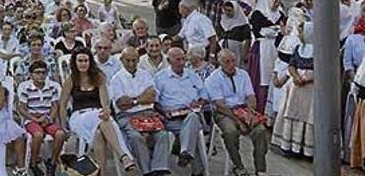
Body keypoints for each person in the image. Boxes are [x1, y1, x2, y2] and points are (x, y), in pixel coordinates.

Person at [59, 48, 135, 175]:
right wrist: (63, 125)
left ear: (90, 62)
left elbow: (105, 101)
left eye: (86, 60)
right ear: (75, 62)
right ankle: (123, 155)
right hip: (79, 116)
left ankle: (102, 173)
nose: (83, 63)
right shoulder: (71, 80)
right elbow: (62, 105)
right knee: (103, 119)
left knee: (99, 132)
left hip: (98, 114)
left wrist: (106, 110)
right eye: (80, 61)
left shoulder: (98, 77)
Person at [206, 49, 269, 176]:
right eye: (226, 62)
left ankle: (260, 169)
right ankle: (238, 166)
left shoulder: (243, 74)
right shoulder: (213, 79)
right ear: (220, 63)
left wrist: (251, 112)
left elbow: (251, 96)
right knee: (230, 132)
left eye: (233, 61)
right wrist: (238, 120)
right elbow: (220, 105)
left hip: (243, 109)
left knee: (261, 130)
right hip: (224, 112)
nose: (231, 65)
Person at [111, 47, 173, 176]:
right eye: (128, 60)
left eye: (134, 60)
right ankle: (147, 171)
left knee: (162, 134)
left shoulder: (145, 74)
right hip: (127, 115)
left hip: (148, 112)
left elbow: (152, 96)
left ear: (139, 59)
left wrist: (133, 101)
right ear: (122, 60)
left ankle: (159, 168)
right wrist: (140, 99)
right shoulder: (116, 79)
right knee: (135, 137)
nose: (131, 64)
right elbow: (121, 104)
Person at [154, 47, 209, 176]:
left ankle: (185, 152)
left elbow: (205, 95)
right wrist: (164, 112)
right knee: (192, 131)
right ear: (168, 60)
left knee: (193, 118)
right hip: (172, 118)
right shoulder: (160, 77)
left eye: (184, 59)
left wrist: (199, 102)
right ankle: (197, 170)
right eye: (178, 59)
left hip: (192, 114)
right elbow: (155, 102)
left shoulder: (192, 75)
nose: (182, 63)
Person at [17, 60, 68, 176]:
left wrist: (49, 118)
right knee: (38, 135)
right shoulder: (26, 88)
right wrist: (35, 119)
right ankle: (33, 163)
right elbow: (22, 108)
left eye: (43, 73)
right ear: (31, 74)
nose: (41, 75)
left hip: (47, 118)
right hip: (32, 119)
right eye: (37, 73)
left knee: (60, 134)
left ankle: (53, 162)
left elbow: (55, 105)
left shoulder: (52, 87)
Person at [271, 22, 315, 157]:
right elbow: (291, 65)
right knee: (292, 113)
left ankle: (306, 149)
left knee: (308, 117)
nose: (300, 35)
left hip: (311, 90)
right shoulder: (298, 48)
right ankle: (290, 147)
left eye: (302, 32)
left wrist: (306, 78)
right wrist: (296, 77)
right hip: (295, 89)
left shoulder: (321, 50)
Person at [247, 0, 285, 114]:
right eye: (276, 0)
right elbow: (257, 31)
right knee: (262, 77)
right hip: (263, 48)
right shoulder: (258, 14)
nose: (278, 3)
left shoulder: (280, 14)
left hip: (276, 48)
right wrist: (271, 31)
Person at [217, 0, 251, 67]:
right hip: (223, 50)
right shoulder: (222, 21)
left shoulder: (243, 23)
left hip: (237, 51)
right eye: (225, 10)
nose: (227, 13)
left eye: (229, 10)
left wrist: (244, 55)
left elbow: (247, 39)